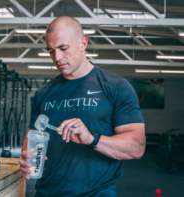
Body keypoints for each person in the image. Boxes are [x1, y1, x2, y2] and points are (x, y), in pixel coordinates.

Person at [18, 16, 145, 197]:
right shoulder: (43, 93)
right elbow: (31, 136)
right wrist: (25, 156)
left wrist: (92, 139)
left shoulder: (115, 87)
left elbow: (137, 147)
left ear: (83, 44)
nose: (57, 57)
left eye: (63, 48)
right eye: (51, 51)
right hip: (46, 193)